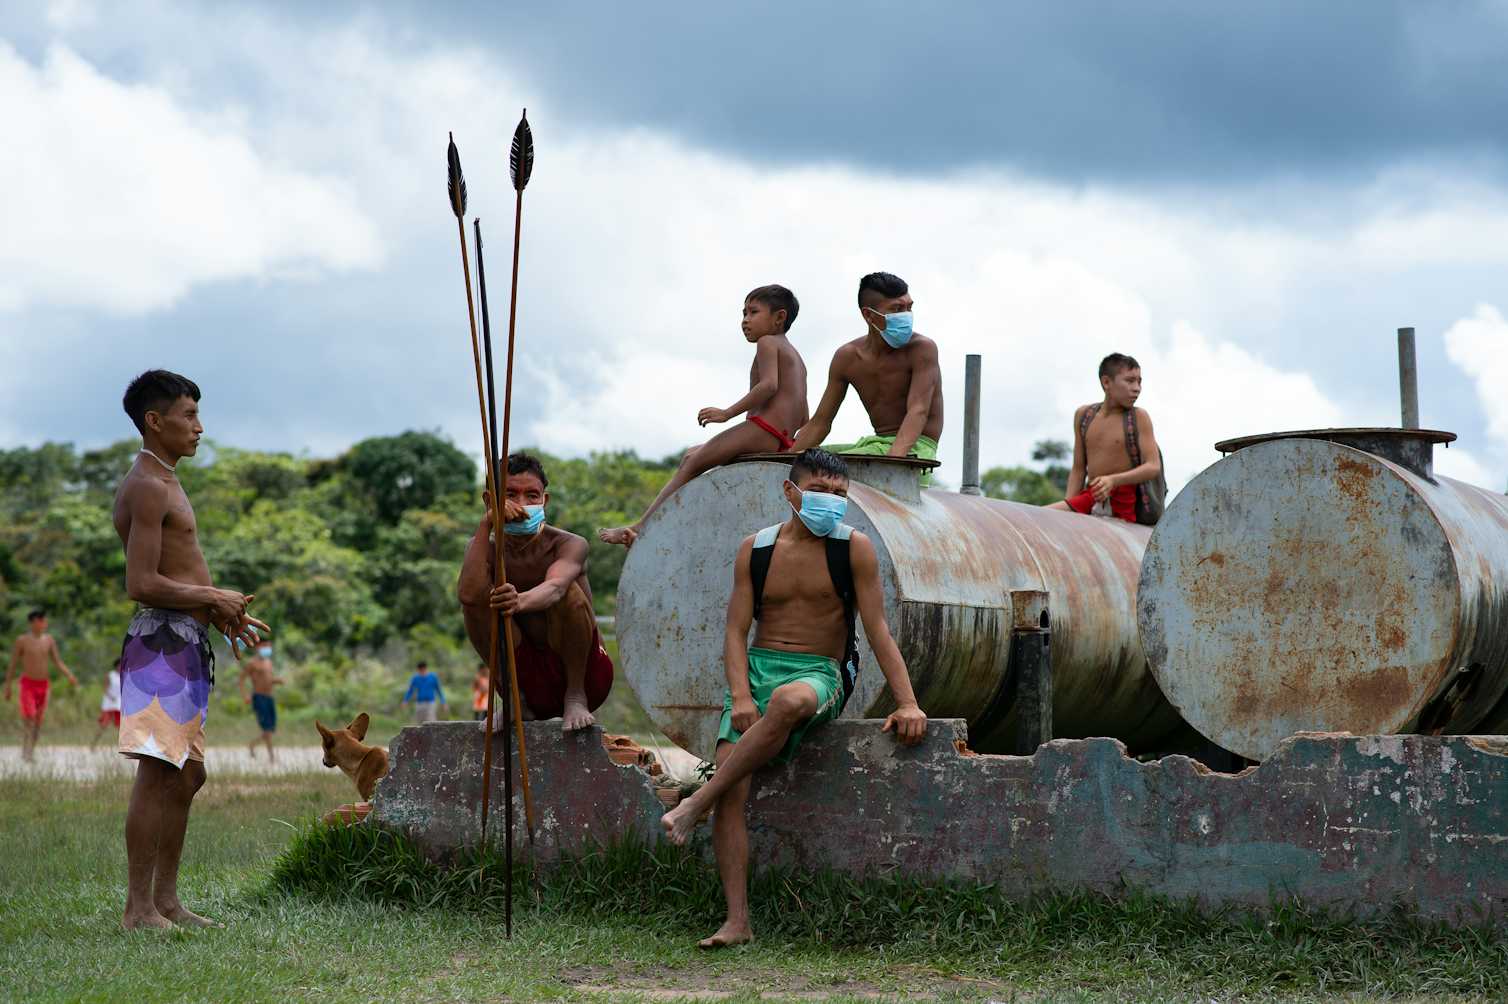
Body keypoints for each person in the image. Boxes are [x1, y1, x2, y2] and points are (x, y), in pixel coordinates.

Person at [660, 449, 928, 948]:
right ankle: (737, 921)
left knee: (785, 702)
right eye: (822, 491)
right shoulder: (755, 550)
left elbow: (878, 631)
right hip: (759, 670)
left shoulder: (855, 548)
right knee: (733, 791)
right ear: (791, 492)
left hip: (820, 672)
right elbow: (736, 629)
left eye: (841, 496)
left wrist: (907, 701)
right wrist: (740, 693)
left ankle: (694, 801)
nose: (832, 502)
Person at [112, 369, 268, 930]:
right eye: (188, 416)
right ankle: (138, 909)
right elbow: (141, 581)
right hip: (158, 640)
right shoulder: (148, 485)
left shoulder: (168, 480)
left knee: (188, 774)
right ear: (155, 422)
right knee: (159, 772)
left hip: (185, 638)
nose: (200, 428)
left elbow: (175, 573)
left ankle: (168, 902)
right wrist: (210, 594)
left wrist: (222, 612)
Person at [599, 285, 809, 547]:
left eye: (753, 312)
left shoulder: (768, 343)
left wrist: (726, 413)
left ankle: (641, 527)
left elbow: (768, 386)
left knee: (692, 462)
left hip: (763, 429)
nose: (745, 320)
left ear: (779, 317)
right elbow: (804, 417)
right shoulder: (797, 358)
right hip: (781, 438)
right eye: (743, 313)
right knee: (692, 454)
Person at [460, 453, 615, 732]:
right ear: (490, 502)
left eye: (532, 495)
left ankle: (574, 697)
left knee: (569, 591)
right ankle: (514, 700)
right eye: (510, 495)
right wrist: (486, 525)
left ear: (545, 500)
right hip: (526, 680)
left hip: (587, 677)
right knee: (479, 602)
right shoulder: (483, 547)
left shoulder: (569, 543)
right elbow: (469, 597)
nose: (522, 505)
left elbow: (555, 588)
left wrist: (519, 601)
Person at [789, 272, 943, 466]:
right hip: (875, 445)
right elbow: (821, 422)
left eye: (908, 307)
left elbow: (918, 410)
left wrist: (892, 464)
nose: (905, 316)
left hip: (916, 448)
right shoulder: (847, 357)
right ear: (868, 315)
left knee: (822, 466)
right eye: (896, 309)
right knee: (807, 459)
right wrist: (786, 460)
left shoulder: (922, 349)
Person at [1048, 353, 1161, 523]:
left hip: (1124, 502)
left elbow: (1153, 466)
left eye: (1139, 381)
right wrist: (1068, 512)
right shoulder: (1084, 416)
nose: (1137, 387)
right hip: (1091, 497)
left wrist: (1113, 481)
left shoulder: (1138, 417)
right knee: (1042, 516)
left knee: (1044, 514)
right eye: (1130, 381)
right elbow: (1078, 469)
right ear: (1106, 382)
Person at [4, 609, 79, 763]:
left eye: (45, 620)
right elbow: (12, 665)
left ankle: (30, 751)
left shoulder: (49, 640)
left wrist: (69, 675)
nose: (45, 623)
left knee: (37, 722)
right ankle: (26, 751)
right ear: (33, 622)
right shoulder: (22, 640)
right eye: (42, 620)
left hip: (44, 686)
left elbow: (57, 661)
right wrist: (8, 687)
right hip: (27, 685)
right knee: (29, 717)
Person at [238, 643, 284, 761]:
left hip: (270, 698)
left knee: (271, 728)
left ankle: (252, 745)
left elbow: (267, 679)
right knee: (267, 729)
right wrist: (245, 695)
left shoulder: (268, 662)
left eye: (269, 646)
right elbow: (242, 679)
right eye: (265, 647)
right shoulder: (252, 663)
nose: (267, 649)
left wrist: (276, 681)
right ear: (258, 648)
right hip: (259, 698)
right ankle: (272, 757)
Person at [91, 659, 123, 751]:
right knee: (103, 725)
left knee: (121, 727)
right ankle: (93, 745)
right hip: (109, 704)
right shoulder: (110, 675)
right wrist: (110, 696)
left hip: (118, 705)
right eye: (120, 665)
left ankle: (123, 747)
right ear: (116, 666)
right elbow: (105, 688)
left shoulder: (123, 675)